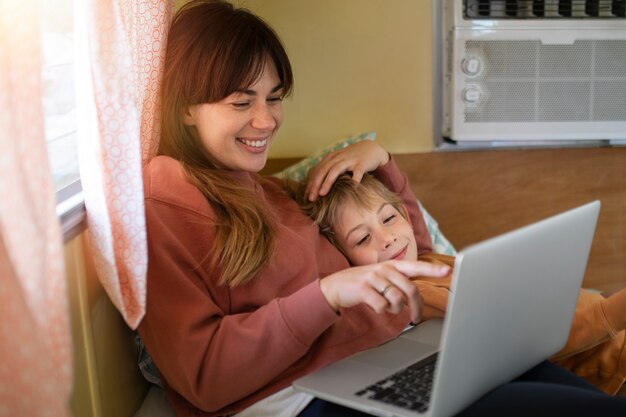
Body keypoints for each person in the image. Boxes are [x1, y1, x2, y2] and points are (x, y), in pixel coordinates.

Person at [138, 1, 626, 416]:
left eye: (273, 98)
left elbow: (420, 260)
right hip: (306, 398)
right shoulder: (167, 194)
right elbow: (201, 375)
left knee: (569, 386)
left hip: (392, 355)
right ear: (185, 106)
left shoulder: (266, 189)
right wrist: (327, 295)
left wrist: (385, 165)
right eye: (241, 103)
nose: (265, 120)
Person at [291, 172, 626, 396]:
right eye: (363, 238)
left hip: (598, 322)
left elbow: (407, 205)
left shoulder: (426, 259)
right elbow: (533, 341)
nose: (388, 239)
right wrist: (614, 310)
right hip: (607, 356)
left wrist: (379, 157)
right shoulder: (412, 295)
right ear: (346, 263)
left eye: (390, 218)